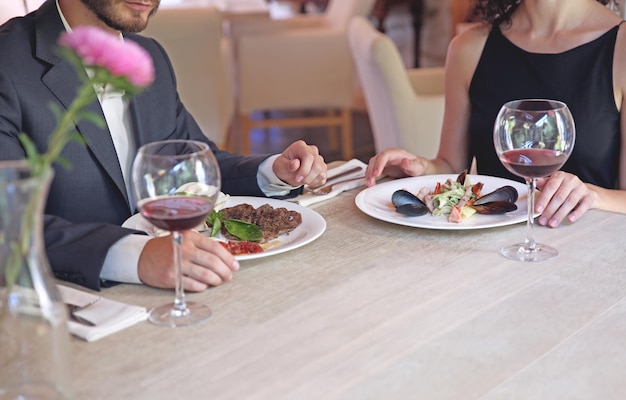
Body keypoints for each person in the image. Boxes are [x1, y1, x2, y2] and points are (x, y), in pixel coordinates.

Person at [0, 0, 328, 292]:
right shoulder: (7, 65)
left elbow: (195, 162)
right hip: (67, 303)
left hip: (186, 291)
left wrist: (274, 172)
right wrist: (135, 256)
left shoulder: (148, 57)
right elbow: (7, 226)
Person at [366, 0, 626, 228]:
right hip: (491, 253)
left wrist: (594, 195)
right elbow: (452, 167)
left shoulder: (621, 47)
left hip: (589, 250)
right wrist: (421, 169)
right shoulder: (469, 48)